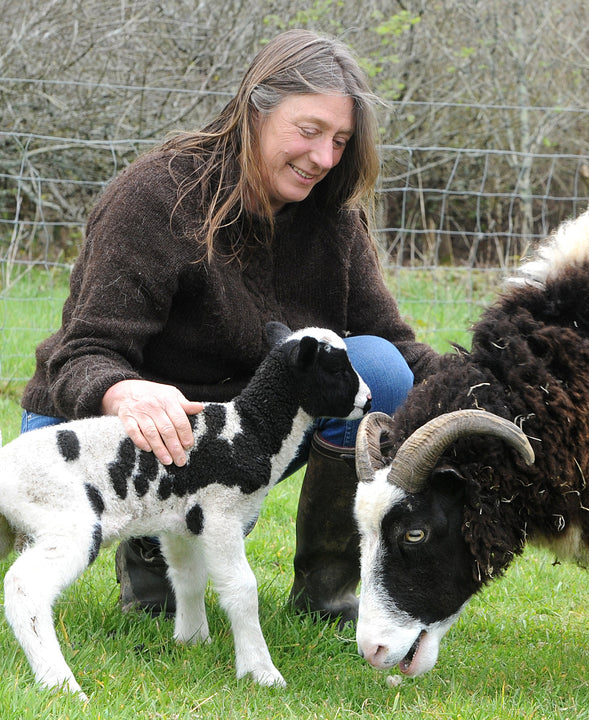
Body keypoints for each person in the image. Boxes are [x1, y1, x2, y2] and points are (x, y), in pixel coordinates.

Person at [19, 29, 437, 624]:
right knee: (160, 606)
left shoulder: (334, 219)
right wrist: (124, 393)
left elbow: (394, 346)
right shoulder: (157, 197)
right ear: (254, 111)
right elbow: (84, 350)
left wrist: (495, 382)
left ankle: (328, 590)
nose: (324, 158)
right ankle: (150, 548)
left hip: (226, 433)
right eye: (309, 130)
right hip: (101, 422)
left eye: (341, 141)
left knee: (381, 371)